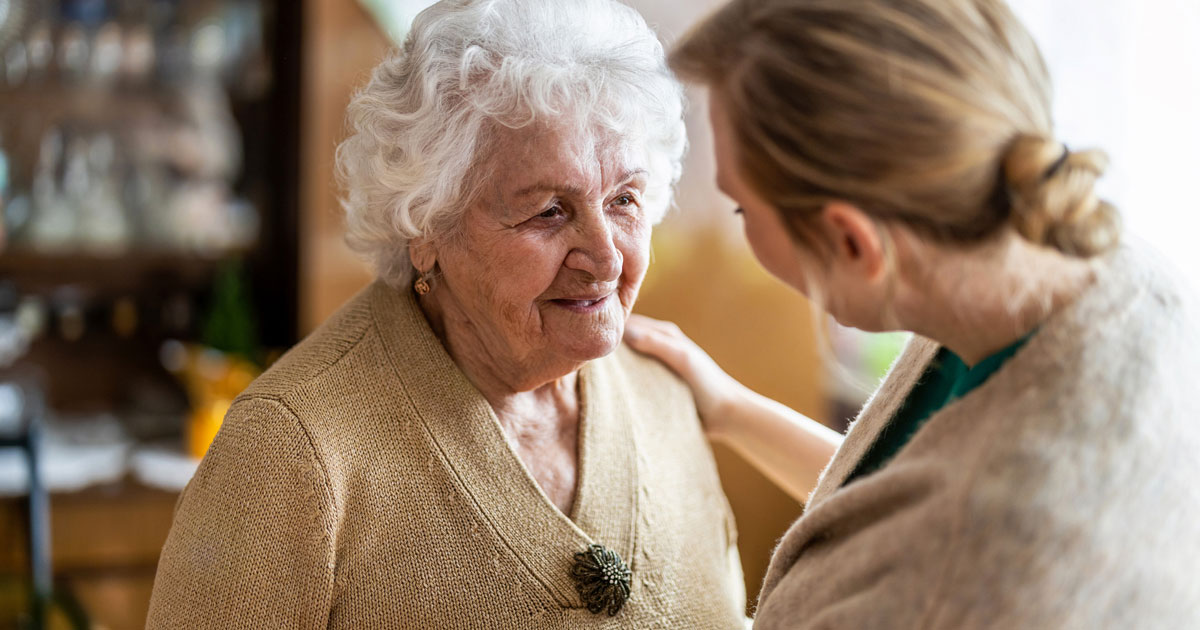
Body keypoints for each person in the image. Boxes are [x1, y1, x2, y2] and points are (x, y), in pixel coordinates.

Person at [145, 0, 748, 627]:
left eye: (624, 199)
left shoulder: (666, 397)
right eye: (549, 211)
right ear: (426, 225)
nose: (604, 258)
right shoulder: (289, 454)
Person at [625, 0, 1200, 627]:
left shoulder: (977, 572)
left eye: (742, 210)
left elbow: (941, 540)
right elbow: (903, 503)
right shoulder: (1097, 269)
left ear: (852, 242)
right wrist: (731, 409)